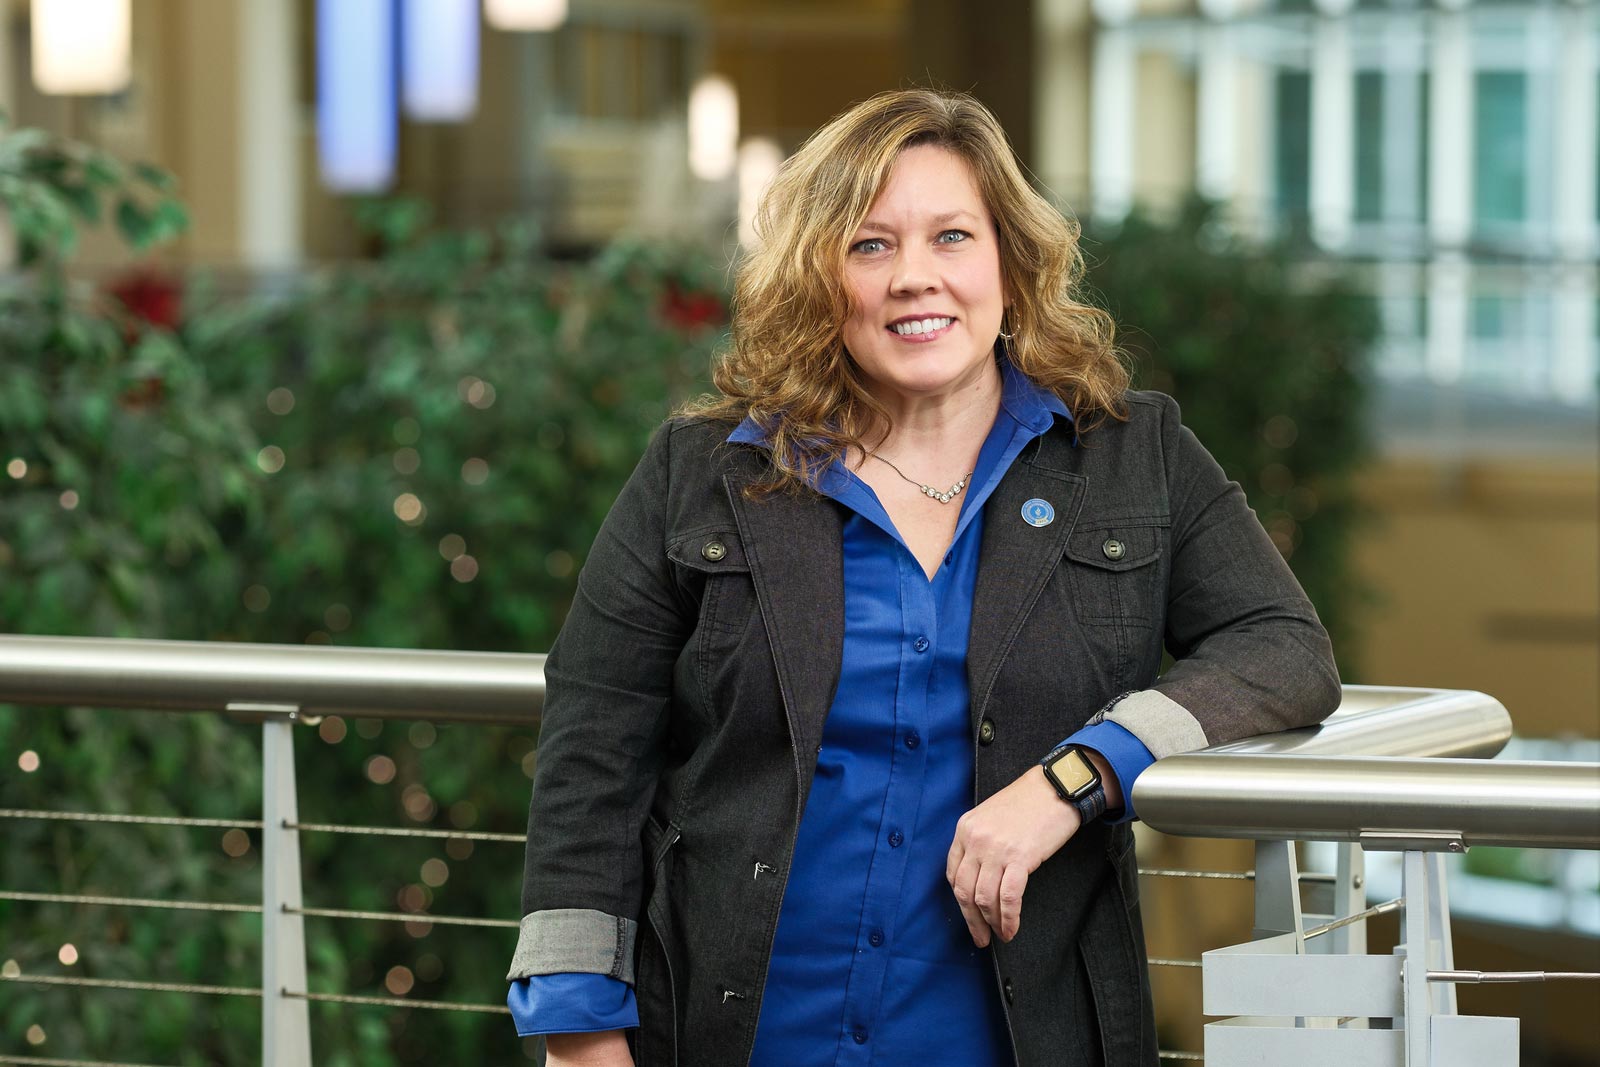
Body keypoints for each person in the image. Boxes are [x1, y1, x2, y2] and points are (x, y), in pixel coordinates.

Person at [505, 88, 1340, 1067]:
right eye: (869, 245)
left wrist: (1077, 773)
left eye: (951, 236)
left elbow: (1283, 650)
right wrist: (578, 1031)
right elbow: (593, 742)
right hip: (732, 1031)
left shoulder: (1130, 455)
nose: (914, 278)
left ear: (1008, 265)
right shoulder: (703, 471)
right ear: (821, 276)